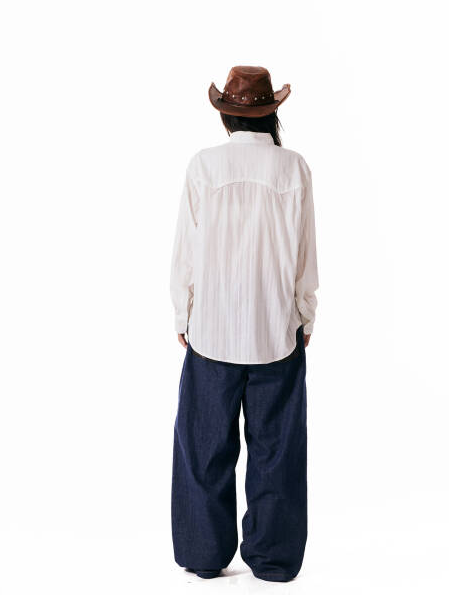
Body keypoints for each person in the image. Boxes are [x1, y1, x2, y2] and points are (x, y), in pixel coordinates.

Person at [169, 65, 319, 582]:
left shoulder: (204, 166)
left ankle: (203, 554)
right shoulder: (294, 168)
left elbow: (186, 249)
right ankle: (274, 560)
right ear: (271, 114)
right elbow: (305, 252)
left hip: (212, 329)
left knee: (202, 448)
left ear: (226, 116)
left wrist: (183, 310)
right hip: (275, 331)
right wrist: (305, 312)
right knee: (278, 451)